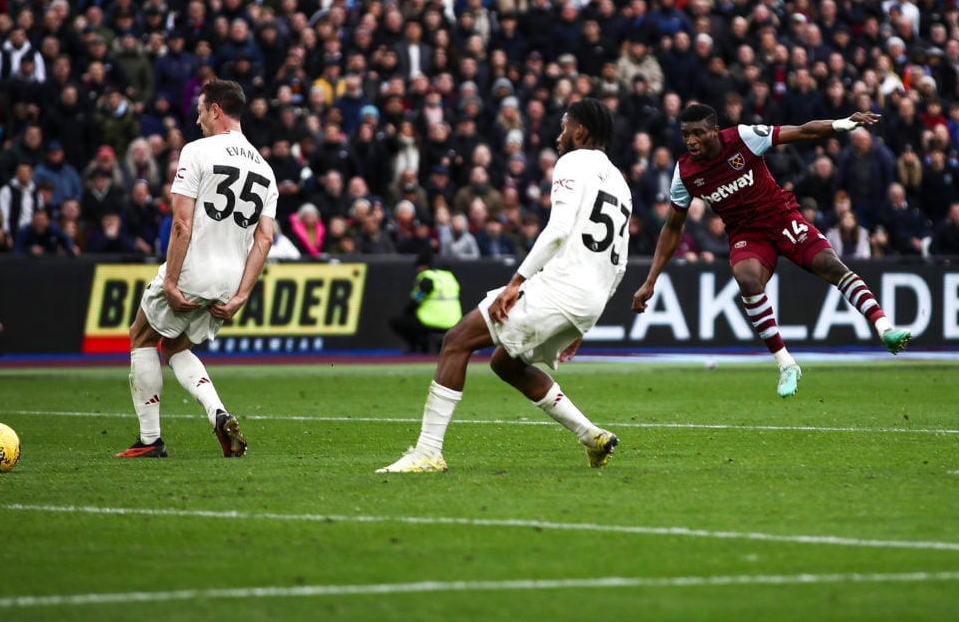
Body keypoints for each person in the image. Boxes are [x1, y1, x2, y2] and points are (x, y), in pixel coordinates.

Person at [377, 98, 632, 473]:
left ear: (580, 131)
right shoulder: (621, 183)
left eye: (565, 126)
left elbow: (558, 230)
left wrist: (516, 282)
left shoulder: (572, 162)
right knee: (506, 364)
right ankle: (591, 435)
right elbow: (620, 263)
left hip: (560, 287)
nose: (559, 135)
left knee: (457, 340)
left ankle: (428, 452)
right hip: (588, 299)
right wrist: (585, 321)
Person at [631, 104, 912, 399]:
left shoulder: (742, 138)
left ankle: (885, 328)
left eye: (698, 133)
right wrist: (651, 281)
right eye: (686, 134)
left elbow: (802, 131)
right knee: (746, 278)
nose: (691, 141)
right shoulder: (685, 172)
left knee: (831, 265)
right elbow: (672, 227)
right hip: (746, 234)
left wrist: (842, 124)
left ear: (714, 131)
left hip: (782, 218)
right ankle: (786, 364)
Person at [115, 79, 278, 459]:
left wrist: (171, 281)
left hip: (192, 269)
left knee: (141, 336)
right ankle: (218, 413)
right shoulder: (266, 169)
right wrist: (240, 295)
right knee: (174, 346)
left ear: (216, 110)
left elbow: (182, 225)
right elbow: (265, 239)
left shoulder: (197, 151)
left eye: (201, 111)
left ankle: (150, 440)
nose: (198, 119)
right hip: (228, 280)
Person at [389, 251, 463, 354]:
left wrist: (407, 312)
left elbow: (414, 301)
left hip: (430, 322)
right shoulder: (449, 277)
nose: (417, 270)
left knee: (397, 321)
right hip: (454, 322)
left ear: (424, 266)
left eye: (418, 267)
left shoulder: (427, 278)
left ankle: (417, 345)